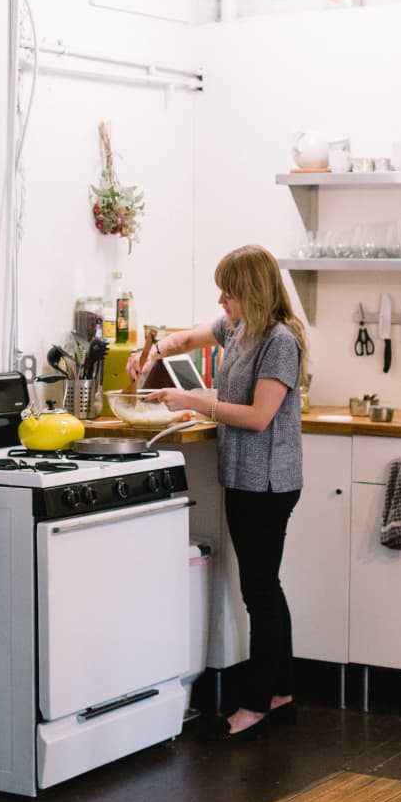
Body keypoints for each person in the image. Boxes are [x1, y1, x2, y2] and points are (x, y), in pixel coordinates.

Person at [127, 244, 307, 744]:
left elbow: (257, 416)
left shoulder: (278, 341)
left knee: (259, 590)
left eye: (229, 288)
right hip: (245, 476)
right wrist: (152, 352)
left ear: (251, 290)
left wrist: (196, 401)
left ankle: (254, 704)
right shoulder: (239, 328)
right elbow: (186, 337)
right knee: (264, 585)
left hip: (267, 481)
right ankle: (281, 692)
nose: (221, 298)